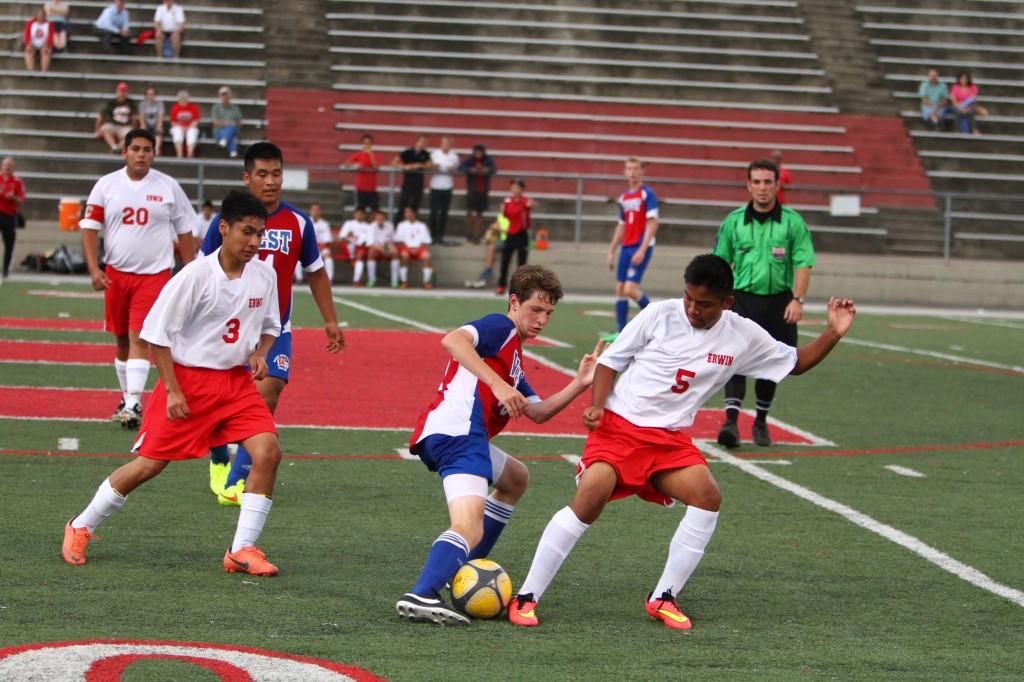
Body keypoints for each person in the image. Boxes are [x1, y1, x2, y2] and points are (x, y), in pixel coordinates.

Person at [507, 254, 856, 630]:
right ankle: (527, 596)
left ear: (727, 302)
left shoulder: (742, 334)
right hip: (619, 427)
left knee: (708, 496)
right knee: (590, 499)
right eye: (689, 298)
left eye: (704, 304)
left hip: (669, 441)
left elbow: (796, 363)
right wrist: (596, 407)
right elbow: (611, 362)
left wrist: (833, 332)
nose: (692, 308)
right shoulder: (659, 314)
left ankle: (663, 596)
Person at [62, 190, 287, 577]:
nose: (254, 242)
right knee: (149, 465)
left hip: (236, 385)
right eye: (247, 232)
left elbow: (271, 327)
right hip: (188, 380)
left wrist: (260, 352)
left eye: (260, 234)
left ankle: (241, 549)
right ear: (224, 228)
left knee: (267, 452)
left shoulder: (264, 274)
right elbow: (156, 335)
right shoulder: (195, 276)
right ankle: (80, 525)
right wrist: (173, 390)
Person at [396, 265, 604, 625]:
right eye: (535, 310)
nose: (541, 320)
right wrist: (497, 385)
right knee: (468, 525)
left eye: (549, 313)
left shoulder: (516, 356)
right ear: (513, 302)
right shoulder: (501, 326)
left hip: (454, 433)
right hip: (459, 431)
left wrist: (580, 383)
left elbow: (537, 412)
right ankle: (423, 593)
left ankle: (463, 570)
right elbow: (453, 340)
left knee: (515, 478)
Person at [201, 142, 345, 505]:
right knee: (215, 401)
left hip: (273, 327)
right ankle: (219, 456)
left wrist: (330, 321)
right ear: (246, 177)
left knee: (269, 390)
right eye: (262, 174)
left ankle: (237, 480)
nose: (270, 181)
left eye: (276, 173)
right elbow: (199, 269)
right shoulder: (226, 221)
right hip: (225, 325)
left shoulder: (298, 222)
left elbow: (315, 272)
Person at [79, 128, 197, 428]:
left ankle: (132, 402)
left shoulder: (169, 186)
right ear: (124, 152)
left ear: (154, 154)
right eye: (136, 149)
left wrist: (190, 268)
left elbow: (185, 229)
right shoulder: (106, 185)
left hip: (154, 275)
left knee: (139, 337)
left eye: (147, 149)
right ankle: (127, 395)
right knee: (121, 339)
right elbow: (90, 227)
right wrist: (95, 268)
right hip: (117, 274)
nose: (141, 154)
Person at [712, 158, 815, 448]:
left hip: (779, 302)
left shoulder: (793, 222)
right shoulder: (733, 221)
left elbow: (803, 262)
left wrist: (798, 299)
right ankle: (731, 422)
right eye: (756, 182)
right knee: (734, 360)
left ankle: (760, 422)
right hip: (741, 300)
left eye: (768, 182)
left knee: (773, 363)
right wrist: (719, 300)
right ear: (748, 185)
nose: (762, 188)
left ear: (777, 185)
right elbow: (720, 262)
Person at [607, 157, 658, 333]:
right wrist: (612, 251)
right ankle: (621, 331)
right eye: (629, 169)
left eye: (636, 169)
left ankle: (657, 318)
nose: (633, 172)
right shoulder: (624, 197)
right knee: (620, 288)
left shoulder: (647, 194)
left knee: (630, 288)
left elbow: (653, 223)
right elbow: (621, 225)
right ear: (625, 172)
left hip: (640, 246)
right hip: (626, 247)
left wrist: (642, 249)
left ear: (642, 171)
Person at [495, 179, 533, 296]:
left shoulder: (525, 201)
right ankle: (501, 285)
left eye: (516, 187)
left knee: (522, 263)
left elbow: (530, 205)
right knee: (505, 260)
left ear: (521, 189)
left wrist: (529, 206)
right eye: (512, 187)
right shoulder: (507, 202)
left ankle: (521, 288)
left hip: (522, 234)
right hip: (511, 233)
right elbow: (503, 214)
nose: (513, 189)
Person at [458, 144, 496, 244]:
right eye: (477, 152)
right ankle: (468, 234)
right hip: (472, 191)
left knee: (480, 214)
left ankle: (477, 235)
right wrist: (471, 170)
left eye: (480, 152)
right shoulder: (470, 160)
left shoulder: (488, 160)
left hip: (483, 191)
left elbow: (494, 169)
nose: (478, 154)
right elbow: (461, 168)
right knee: (469, 212)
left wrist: (485, 170)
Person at [391, 134, 431, 224]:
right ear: (417, 142)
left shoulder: (425, 154)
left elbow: (430, 166)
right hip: (407, 183)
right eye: (422, 141)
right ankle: (396, 227)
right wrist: (405, 166)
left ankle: (413, 228)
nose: (423, 144)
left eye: (425, 142)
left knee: (415, 207)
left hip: (418, 184)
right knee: (402, 206)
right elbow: (394, 163)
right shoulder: (407, 152)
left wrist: (420, 165)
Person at [293, 202, 334, 284]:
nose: (315, 212)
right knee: (297, 257)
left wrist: (320, 248)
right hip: (306, 248)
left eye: (317, 210)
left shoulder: (324, 224)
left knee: (328, 256)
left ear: (320, 211)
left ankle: (330, 279)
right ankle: (299, 278)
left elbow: (327, 240)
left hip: (321, 247)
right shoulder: (304, 221)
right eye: (313, 210)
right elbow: (300, 238)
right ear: (310, 211)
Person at [465, 214, 508, 289]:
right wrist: (490, 231)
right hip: (501, 240)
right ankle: (486, 273)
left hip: (511, 240)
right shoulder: (500, 216)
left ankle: (502, 279)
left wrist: (499, 229)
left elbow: (513, 230)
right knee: (490, 246)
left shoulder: (514, 214)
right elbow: (494, 226)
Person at [428, 135, 459, 242]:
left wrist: (452, 169)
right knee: (433, 212)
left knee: (444, 213)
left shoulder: (454, 156)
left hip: (447, 187)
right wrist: (434, 167)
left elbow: (456, 170)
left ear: (450, 145)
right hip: (435, 186)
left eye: (447, 143)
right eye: (443, 143)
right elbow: (429, 167)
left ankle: (440, 236)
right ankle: (432, 235)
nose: (444, 145)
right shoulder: (434, 154)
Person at [394, 206, 433, 289]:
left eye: (408, 212)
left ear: (413, 213)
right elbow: (397, 239)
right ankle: (403, 282)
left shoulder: (422, 226)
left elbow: (427, 240)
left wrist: (417, 248)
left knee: (427, 256)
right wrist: (409, 248)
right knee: (404, 256)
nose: (406, 214)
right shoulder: (401, 225)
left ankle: (426, 282)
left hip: (419, 248)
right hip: (405, 248)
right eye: (405, 213)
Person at [0, 157, 26, 281]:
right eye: (5, 165)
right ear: (2, 166)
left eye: (9, 165)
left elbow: (21, 200)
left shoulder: (17, 181)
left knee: (9, 244)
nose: (7, 167)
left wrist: (13, 197)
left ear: (13, 167)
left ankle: (6, 271)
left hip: (9, 216)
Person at [95, 82, 138, 153]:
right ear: (117, 92)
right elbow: (101, 115)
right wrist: (97, 129)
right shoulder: (111, 103)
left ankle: (118, 148)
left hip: (125, 126)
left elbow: (134, 118)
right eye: (121, 91)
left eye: (124, 91)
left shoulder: (131, 103)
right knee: (104, 129)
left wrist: (134, 128)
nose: (122, 94)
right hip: (113, 124)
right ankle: (114, 146)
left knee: (130, 136)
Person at [339, 206, 373, 286]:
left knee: (360, 256)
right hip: (349, 248)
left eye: (361, 214)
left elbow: (369, 241)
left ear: (364, 215)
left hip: (361, 248)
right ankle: (352, 257)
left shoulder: (368, 226)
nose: (359, 216)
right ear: (354, 215)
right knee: (349, 244)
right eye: (357, 214)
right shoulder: (348, 224)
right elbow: (341, 238)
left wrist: (362, 245)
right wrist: (348, 235)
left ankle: (356, 281)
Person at [344, 134, 379, 212]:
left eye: (369, 143)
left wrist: (370, 154)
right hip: (361, 187)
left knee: (375, 210)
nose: (367, 145)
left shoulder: (375, 155)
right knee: (360, 209)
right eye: (365, 143)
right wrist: (356, 165)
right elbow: (347, 163)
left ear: (371, 144)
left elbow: (376, 167)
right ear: (362, 144)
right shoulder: (358, 155)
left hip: (372, 188)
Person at [367, 208, 399, 288]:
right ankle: (372, 280)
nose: (380, 220)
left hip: (386, 248)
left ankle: (394, 280)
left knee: (395, 252)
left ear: (384, 218)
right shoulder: (371, 226)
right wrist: (382, 249)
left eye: (381, 218)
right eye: (378, 218)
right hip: (376, 248)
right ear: (375, 219)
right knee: (371, 252)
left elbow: (391, 241)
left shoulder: (390, 226)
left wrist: (386, 249)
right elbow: (371, 243)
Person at [212, 86, 242, 158]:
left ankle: (224, 140)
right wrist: (227, 124)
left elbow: (239, 123)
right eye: (223, 95)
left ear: (230, 96)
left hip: (233, 130)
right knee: (230, 130)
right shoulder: (216, 108)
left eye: (226, 94)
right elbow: (215, 122)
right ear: (219, 96)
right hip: (219, 132)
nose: (225, 97)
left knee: (231, 127)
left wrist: (230, 124)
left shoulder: (235, 108)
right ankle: (233, 150)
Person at [169, 90, 200, 158]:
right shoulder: (174, 108)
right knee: (177, 132)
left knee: (192, 132)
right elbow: (172, 122)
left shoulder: (193, 107)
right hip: (178, 127)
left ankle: (190, 155)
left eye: (184, 99)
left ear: (188, 99)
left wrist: (188, 128)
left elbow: (195, 121)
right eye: (181, 99)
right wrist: (181, 127)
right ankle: (179, 155)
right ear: (179, 99)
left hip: (190, 127)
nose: (183, 100)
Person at [23, 8, 54, 72]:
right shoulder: (30, 23)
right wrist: (28, 44)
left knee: (45, 52)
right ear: (36, 16)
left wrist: (47, 45)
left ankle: (43, 71)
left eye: (42, 16)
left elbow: (51, 36)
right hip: (33, 43)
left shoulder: (49, 24)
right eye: (39, 16)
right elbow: (27, 34)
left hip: (44, 44)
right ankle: (30, 71)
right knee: (28, 52)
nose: (40, 17)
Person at [950, 71, 981, 135]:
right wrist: (960, 108)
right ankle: (957, 130)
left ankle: (974, 129)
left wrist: (966, 109)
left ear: (968, 79)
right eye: (962, 78)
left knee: (971, 112)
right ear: (959, 79)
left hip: (969, 107)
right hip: (958, 106)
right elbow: (954, 101)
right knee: (957, 112)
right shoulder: (955, 87)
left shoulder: (973, 87)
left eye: (965, 79)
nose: (964, 80)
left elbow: (972, 100)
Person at [138, 85, 165, 155]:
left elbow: (160, 116)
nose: (150, 96)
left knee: (159, 131)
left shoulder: (159, 104)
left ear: (155, 95)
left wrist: (159, 126)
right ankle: (144, 149)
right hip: (146, 124)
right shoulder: (142, 104)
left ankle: (156, 149)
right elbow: (141, 117)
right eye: (149, 94)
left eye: (152, 94)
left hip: (155, 124)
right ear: (146, 95)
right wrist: (143, 125)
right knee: (142, 131)